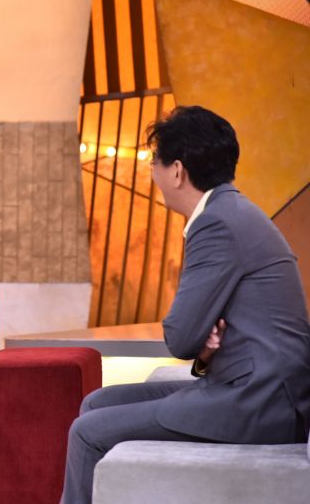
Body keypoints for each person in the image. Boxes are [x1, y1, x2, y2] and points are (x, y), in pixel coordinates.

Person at [60, 106, 310, 503]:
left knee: (87, 432)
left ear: (177, 171)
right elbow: (198, 338)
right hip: (254, 389)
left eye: (154, 163)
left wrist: (198, 343)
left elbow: (179, 337)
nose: (153, 173)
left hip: (259, 403)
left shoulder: (216, 224)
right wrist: (205, 352)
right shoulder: (231, 211)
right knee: (96, 402)